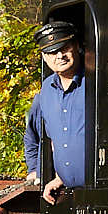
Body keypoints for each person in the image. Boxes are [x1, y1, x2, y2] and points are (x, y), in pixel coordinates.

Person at [23, 16, 89, 202]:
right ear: (44, 57)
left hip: (99, 193)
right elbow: (32, 136)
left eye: (64, 48)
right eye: (52, 52)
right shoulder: (45, 93)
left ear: (76, 45)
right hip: (67, 196)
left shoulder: (95, 83)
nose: (59, 56)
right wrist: (36, 171)